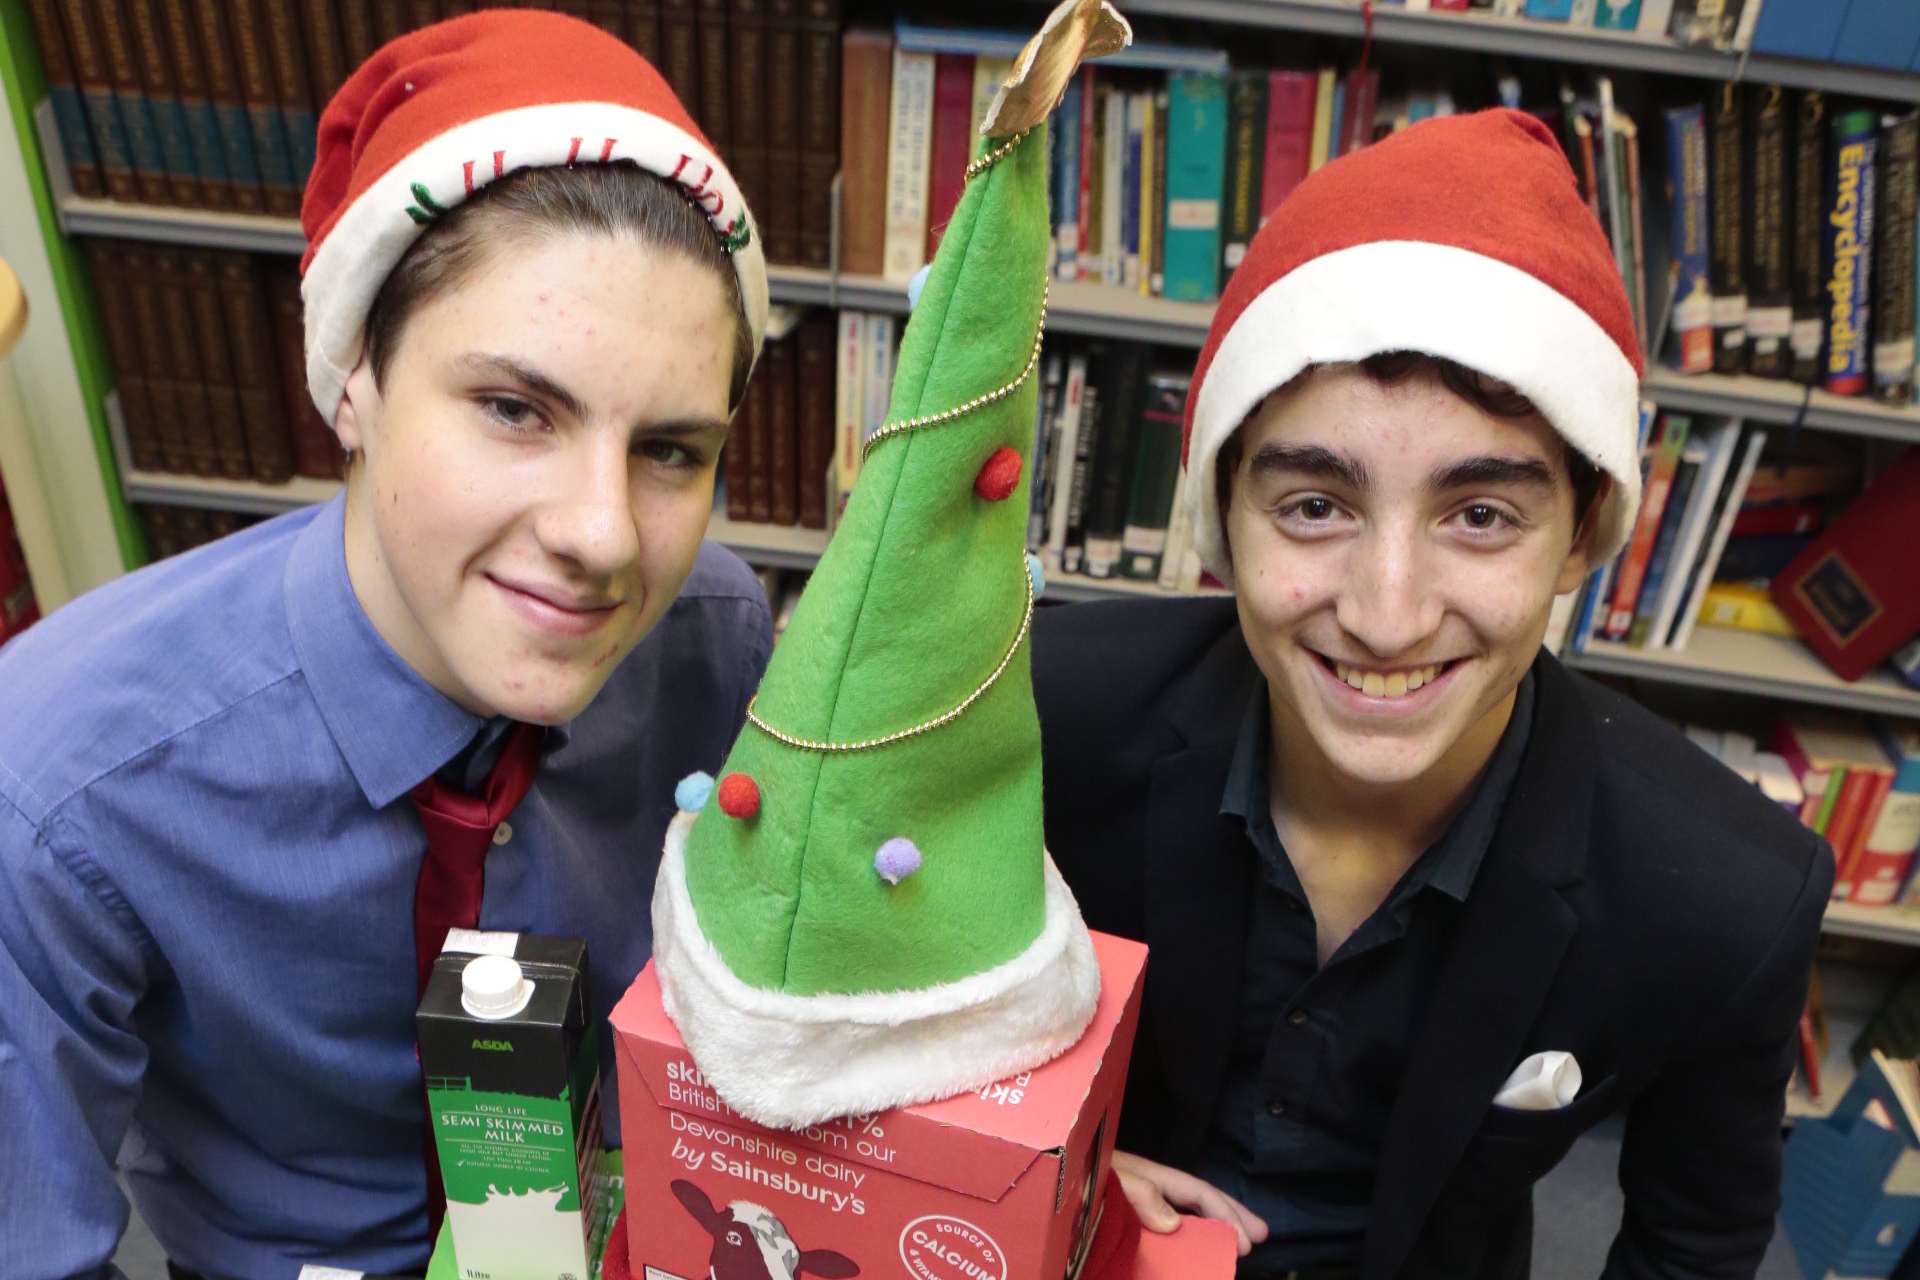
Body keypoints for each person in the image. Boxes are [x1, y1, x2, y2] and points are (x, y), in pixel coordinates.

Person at [0, 12, 772, 1278]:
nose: (603, 536)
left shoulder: (713, 638)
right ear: (353, 378)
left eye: (670, 450)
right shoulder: (51, 796)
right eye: (516, 408)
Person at [1033, 109, 1832, 1280]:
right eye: (1315, 504)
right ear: (1222, 521)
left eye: (1481, 514)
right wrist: (1040, 1159)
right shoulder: (1045, 713)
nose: (1386, 612)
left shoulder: (1726, 898)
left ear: (1581, 540)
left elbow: (1694, 1246)